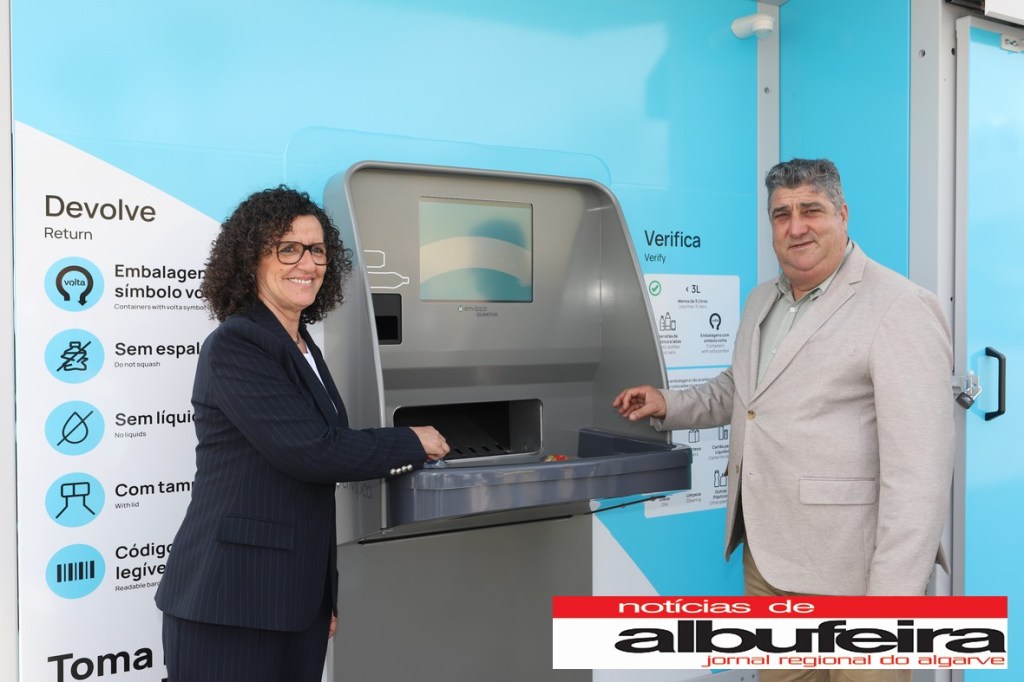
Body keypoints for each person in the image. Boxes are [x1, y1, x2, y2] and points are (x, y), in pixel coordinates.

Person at [613, 159, 954, 682]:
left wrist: (890, 605)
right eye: (781, 214)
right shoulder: (761, 301)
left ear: (842, 214)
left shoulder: (899, 306)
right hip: (769, 561)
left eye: (810, 210)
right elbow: (746, 392)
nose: (796, 227)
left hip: (857, 573)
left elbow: (920, 476)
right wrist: (668, 403)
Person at [155, 186, 449, 682]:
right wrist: (411, 441)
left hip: (292, 601)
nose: (307, 264)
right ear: (250, 258)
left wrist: (320, 597)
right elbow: (312, 452)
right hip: (229, 602)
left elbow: (306, 490)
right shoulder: (238, 343)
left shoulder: (300, 343)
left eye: (317, 250)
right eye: (288, 248)